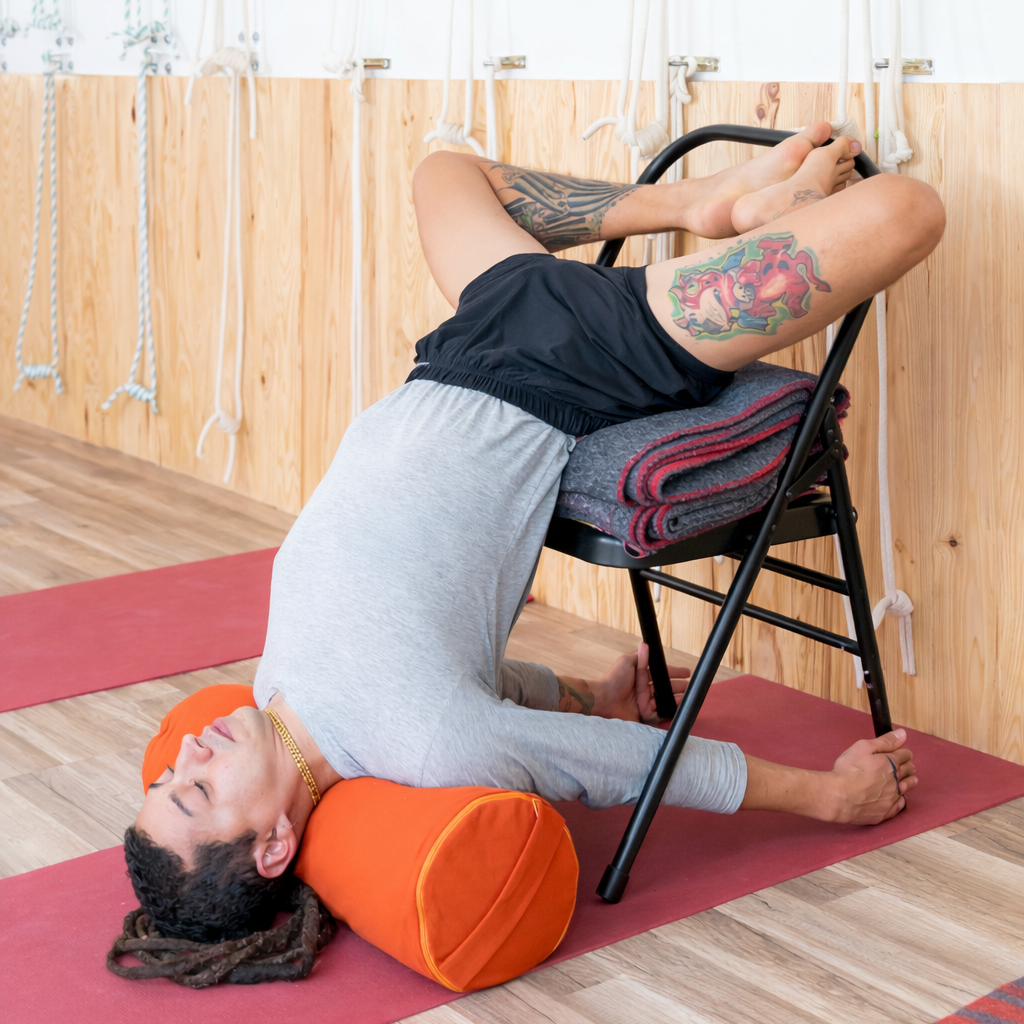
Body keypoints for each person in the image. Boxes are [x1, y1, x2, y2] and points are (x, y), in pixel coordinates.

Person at [126, 123, 944, 956]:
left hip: (467, 338)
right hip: (585, 360)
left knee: (442, 169)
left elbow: (463, 668)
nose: (190, 747)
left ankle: (701, 203)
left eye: (168, 773)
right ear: (273, 846)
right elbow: (613, 763)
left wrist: (598, 691)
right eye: (196, 790)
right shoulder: (427, 748)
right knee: (908, 208)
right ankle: (742, 211)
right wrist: (826, 797)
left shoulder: (276, 688)